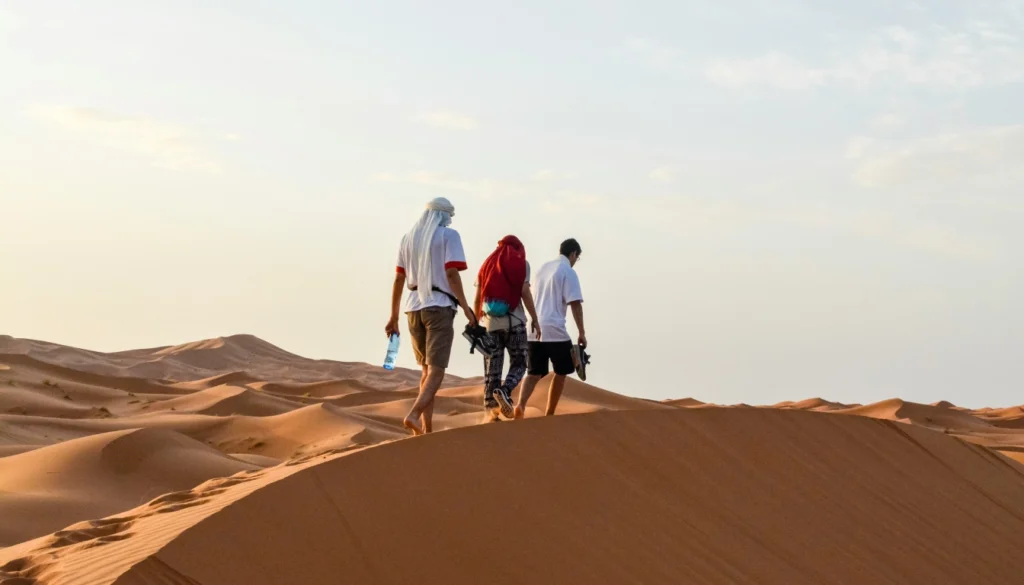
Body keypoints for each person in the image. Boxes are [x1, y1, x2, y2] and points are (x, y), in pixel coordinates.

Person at [385, 197, 476, 435]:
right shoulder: (449, 236)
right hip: (439, 306)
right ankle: (414, 415)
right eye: (449, 215)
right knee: (436, 370)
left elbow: (398, 279)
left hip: (413, 307)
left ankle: (425, 430)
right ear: (442, 215)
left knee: (426, 370)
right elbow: (452, 273)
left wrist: (393, 317)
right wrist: (466, 308)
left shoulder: (407, 239)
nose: (450, 220)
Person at [515, 238, 586, 418]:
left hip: (534, 327)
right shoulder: (567, 271)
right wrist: (582, 332)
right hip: (554, 328)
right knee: (562, 370)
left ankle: (521, 406)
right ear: (573, 254)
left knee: (533, 372)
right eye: (576, 258)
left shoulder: (543, 268)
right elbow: (575, 303)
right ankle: (550, 413)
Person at [473, 236, 541, 420]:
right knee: (519, 363)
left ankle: (490, 414)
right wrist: (534, 318)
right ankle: (505, 390)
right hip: (515, 323)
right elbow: (525, 292)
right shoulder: (522, 264)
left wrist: (474, 320)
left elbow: (478, 295)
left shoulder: (486, 265)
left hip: (490, 325)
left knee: (492, 370)